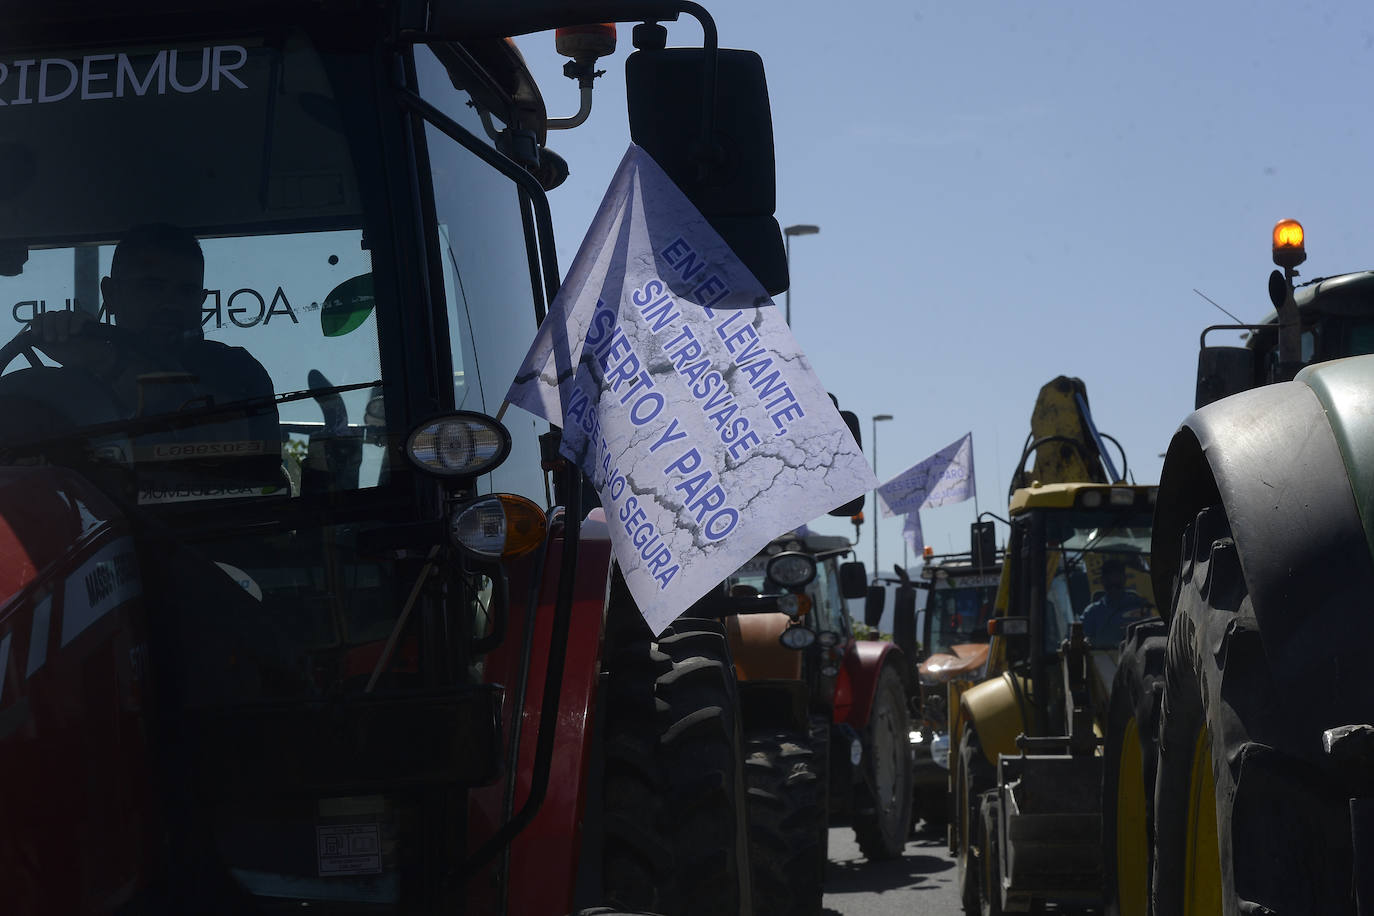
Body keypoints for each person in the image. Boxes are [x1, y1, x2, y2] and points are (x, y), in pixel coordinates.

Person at [30, 223, 281, 492]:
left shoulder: (237, 371)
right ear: (111, 295)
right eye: (152, 287)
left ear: (202, 300)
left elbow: (258, 474)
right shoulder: (68, 385)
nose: (171, 304)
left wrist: (107, 362)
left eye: (187, 291)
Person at [1079, 557, 1151, 648]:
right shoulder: (1092, 612)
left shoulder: (1139, 606)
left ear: (1124, 579)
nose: (1114, 583)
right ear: (1102, 581)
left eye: (1117, 578)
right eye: (1109, 579)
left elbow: (1150, 637)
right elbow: (1082, 638)